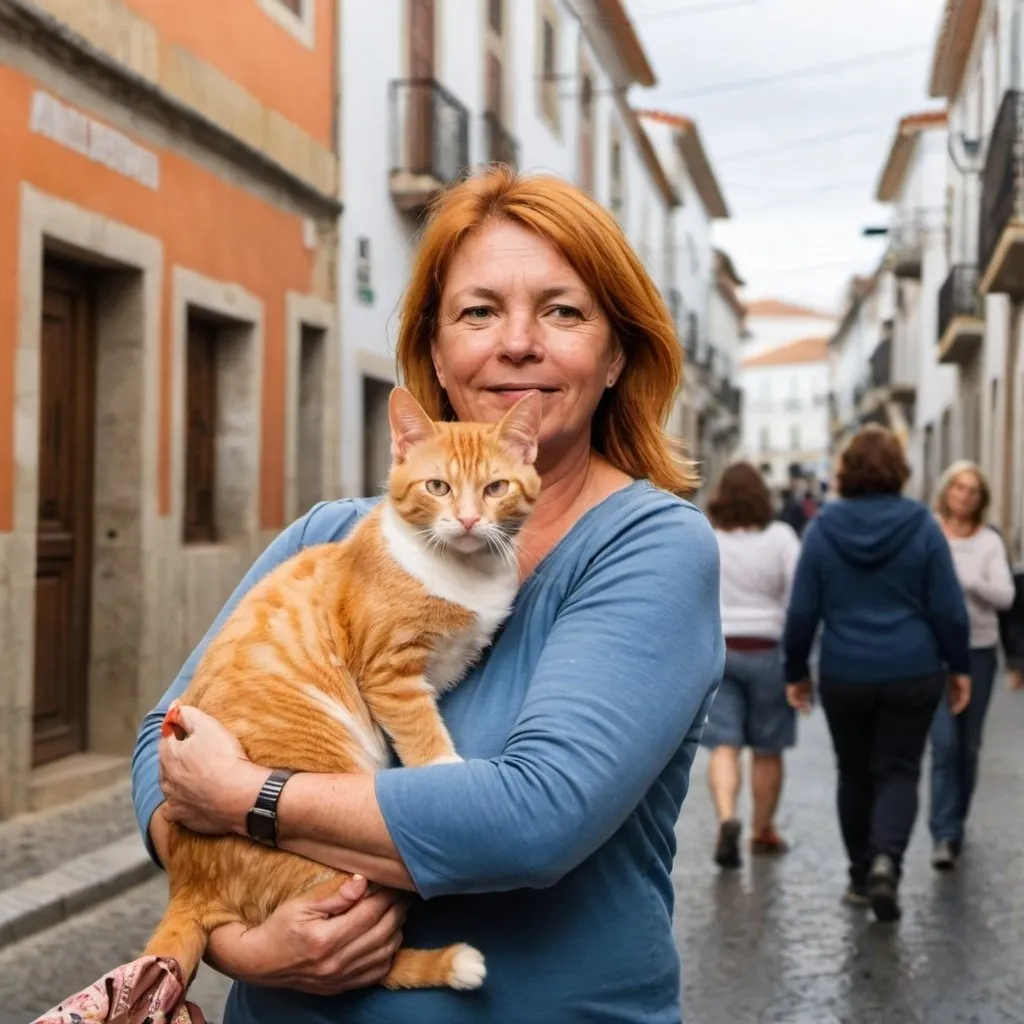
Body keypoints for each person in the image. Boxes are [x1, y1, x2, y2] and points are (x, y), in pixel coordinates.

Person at [131, 167, 724, 1024]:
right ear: (438, 355)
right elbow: (166, 738)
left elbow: (534, 817)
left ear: (616, 353)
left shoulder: (650, 547)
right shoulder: (332, 535)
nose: (518, 343)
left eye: (563, 311)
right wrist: (238, 944)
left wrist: (246, 799)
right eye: (479, 312)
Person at [783, 425, 970, 923]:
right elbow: (949, 608)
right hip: (914, 668)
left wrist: (796, 670)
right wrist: (961, 666)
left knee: (854, 771)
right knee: (901, 769)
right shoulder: (923, 526)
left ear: (846, 472)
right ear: (898, 470)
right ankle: (888, 857)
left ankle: (860, 875)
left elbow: (802, 611)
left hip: (845, 671)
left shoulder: (824, 527)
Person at [702, 462, 800, 868]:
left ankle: (727, 817)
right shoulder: (781, 538)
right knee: (767, 747)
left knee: (724, 746)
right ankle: (762, 829)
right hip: (769, 650)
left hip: (722, 650)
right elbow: (799, 594)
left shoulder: (709, 537)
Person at [929, 461, 1015, 870]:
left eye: (973, 490)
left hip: (979, 650)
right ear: (946, 492)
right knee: (943, 744)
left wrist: (966, 581)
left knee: (969, 746)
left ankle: (957, 821)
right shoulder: (929, 532)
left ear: (981, 498)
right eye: (959, 488)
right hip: (934, 653)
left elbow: (1005, 596)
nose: (965, 496)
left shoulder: (989, 542)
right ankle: (943, 833)